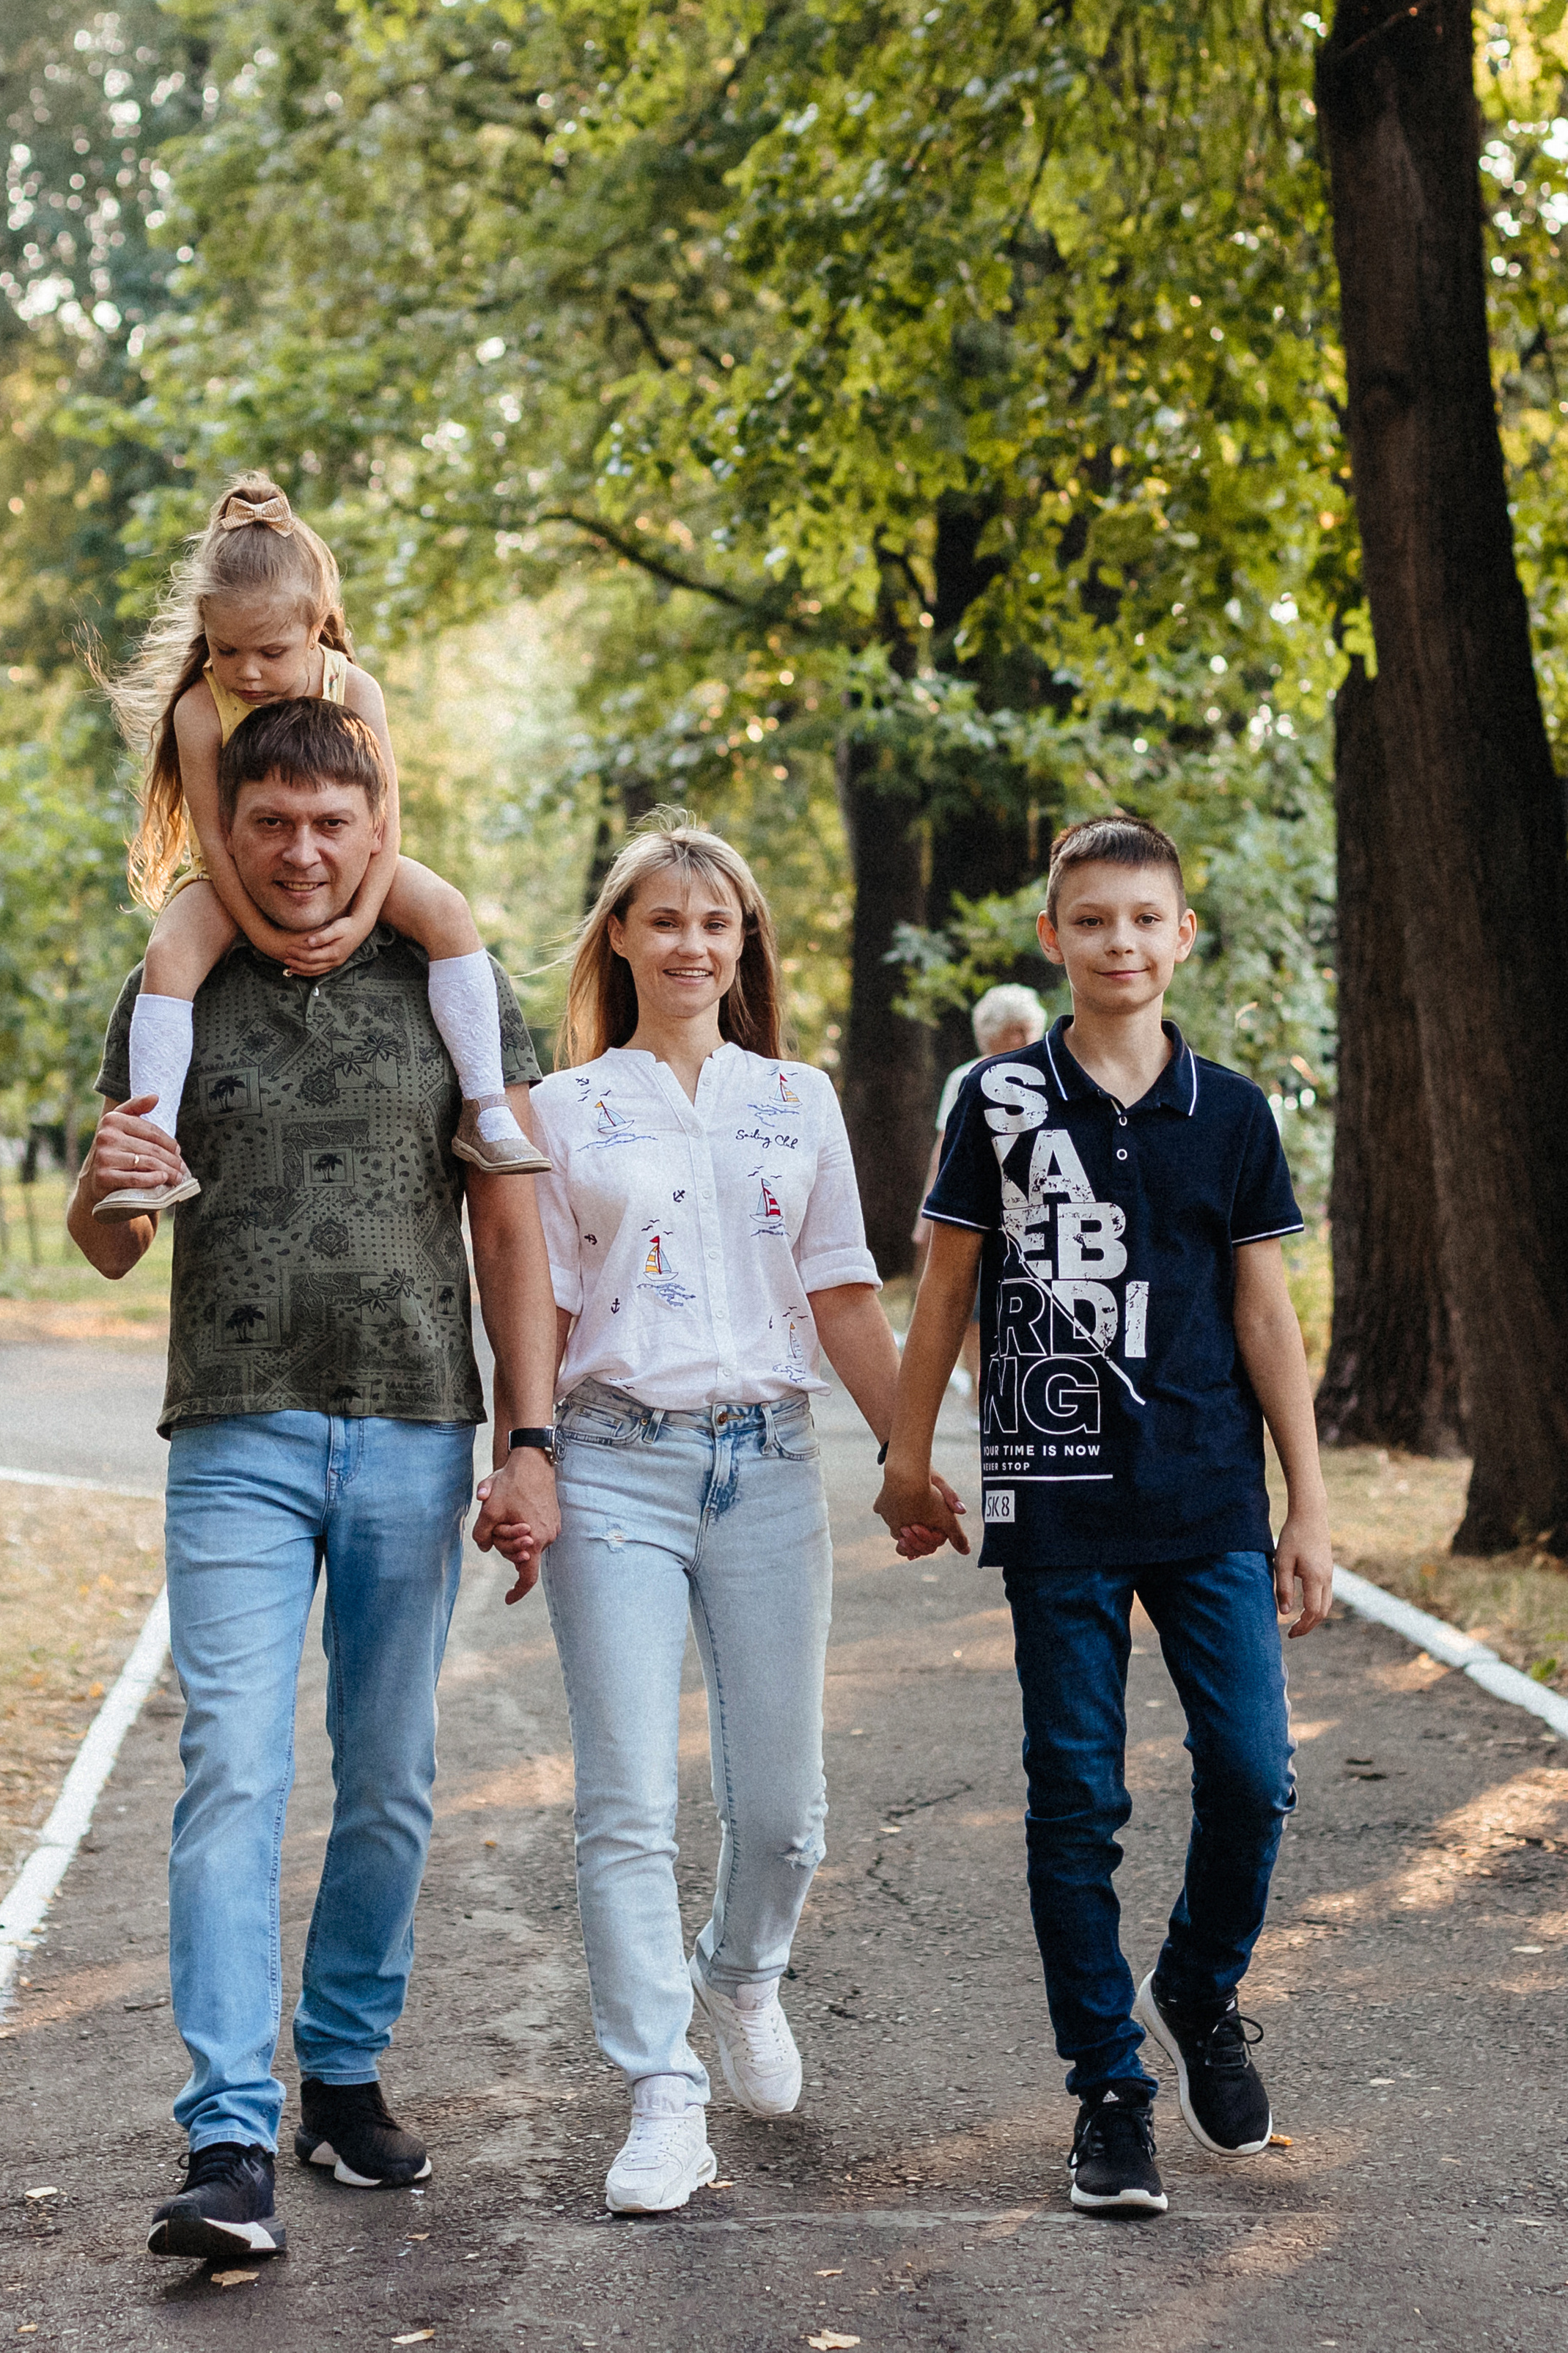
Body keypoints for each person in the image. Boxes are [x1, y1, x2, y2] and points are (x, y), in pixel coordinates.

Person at [67, 697, 562, 2264]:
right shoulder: (182, 986)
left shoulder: (452, 990)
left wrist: (527, 1439)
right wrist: (98, 1198)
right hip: (234, 1428)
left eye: (327, 822)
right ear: (234, 828)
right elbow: (114, 1235)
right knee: (231, 1766)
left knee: (391, 1775)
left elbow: (508, 1226)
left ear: (374, 825)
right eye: (267, 821)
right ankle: (225, 2133)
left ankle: (339, 2067)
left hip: (415, 1423)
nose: (298, 850)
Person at [877, 812, 1332, 2219]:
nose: (1120, 943)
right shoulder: (999, 1105)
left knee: (1253, 1773)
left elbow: (1266, 1309)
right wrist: (906, 1454)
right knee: (1078, 1799)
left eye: (1146, 919)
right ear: (1053, 937)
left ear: (1182, 935)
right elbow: (946, 1291)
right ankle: (1109, 2093)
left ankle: (1198, 1988)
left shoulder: (1236, 1111)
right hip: (1055, 1499)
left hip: (1208, 1499)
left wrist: (1308, 1501)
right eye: (1093, 921)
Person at [525, 820, 969, 2217]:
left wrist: (913, 1454)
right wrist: (524, 1454)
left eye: (716, 924)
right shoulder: (564, 1109)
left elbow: (841, 1295)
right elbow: (534, 1310)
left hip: (769, 1463)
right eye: (664, 921)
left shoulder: (799, 1099)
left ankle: (740, 1971)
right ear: (620, 937)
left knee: (782, 1814)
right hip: (612, 1462)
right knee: (627, 1800)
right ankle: (662, 2090)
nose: (692, 946)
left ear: (743, 945)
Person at [92, 474, 547, 1218]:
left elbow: (386, 825)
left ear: (317, 627)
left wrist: (360, 922)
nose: (246, 671)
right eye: (226, 648)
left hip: (355, 865)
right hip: (237, 874)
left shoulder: (354, 689)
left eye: (270, 651)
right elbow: (214, 839)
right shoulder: (200, 709)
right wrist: (267, 931)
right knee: (169, 954)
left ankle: (486, 1109)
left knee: (448, 910)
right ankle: (150, 1143)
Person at [912, 983, 1050, 1387]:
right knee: (970, 1303)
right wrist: (927, 1215)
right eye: (1014, 1031)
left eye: (1029, 1030)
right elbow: (944, 1151)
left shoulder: (1043, 1076)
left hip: (1028, 1206)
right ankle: (977, 1390)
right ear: (991, 1033)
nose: (1024, 1040)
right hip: (976, 1204)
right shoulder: (967, 1079)